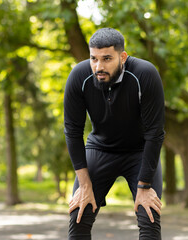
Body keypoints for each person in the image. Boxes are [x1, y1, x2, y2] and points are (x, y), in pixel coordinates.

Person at [63, 27, 165, 240]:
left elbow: (155, 133)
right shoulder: (79, 76)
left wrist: (144, 186)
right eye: (94, 58)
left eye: (107, 58)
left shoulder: (145, 74)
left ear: (123, 57)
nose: (99, 66)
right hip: (100, 149)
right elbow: (73, 131)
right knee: (78, 216)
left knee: (150, 219)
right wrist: (84, 184)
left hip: (140, 152)